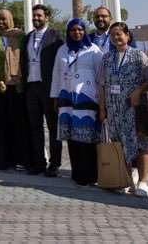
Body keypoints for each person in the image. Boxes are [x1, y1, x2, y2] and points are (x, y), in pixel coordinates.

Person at [99, 22, 148, 196]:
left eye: (119, 34)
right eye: (113, 35)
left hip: (135, 109)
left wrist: (139, 91)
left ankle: (143, 182)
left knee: (141, 143)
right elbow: (102, 85)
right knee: (120, 144)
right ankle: (126, 179)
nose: (116, 37)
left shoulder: (139, 55)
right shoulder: (107, 58)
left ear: (127, 36)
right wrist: (102, 108)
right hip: (114, 109)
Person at [50, 19, 104, 187]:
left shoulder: (93, 50)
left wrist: (102, 102)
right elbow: (56, 75)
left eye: (80, 29)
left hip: (87, 100)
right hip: (67, 100)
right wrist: (55, 97)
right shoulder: (62, 50)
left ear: (84, 31)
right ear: (68, 32)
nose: (77, 32)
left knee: (87, 138)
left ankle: (90, 175)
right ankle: (77, 173)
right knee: (72, 138)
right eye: (73, 30)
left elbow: (101, 76)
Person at [0, 9, 31, 171]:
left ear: (10, 19)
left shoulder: (21, 37)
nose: (1, 22)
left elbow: (26, 60)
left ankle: (19, 159)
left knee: (17, 124)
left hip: (17, 88)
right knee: (0, 125)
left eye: (4, 19)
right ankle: (1, 159)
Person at [20, 5, 63, 177]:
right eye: (34, 15)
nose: (36, 18)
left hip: (49, 88)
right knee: (35, 128)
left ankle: (54, 164)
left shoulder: (55, 36)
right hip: (31, 87)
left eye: (39, 15)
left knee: (53, 128)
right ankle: (38, 162)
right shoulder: (28, 37)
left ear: (47, 18)